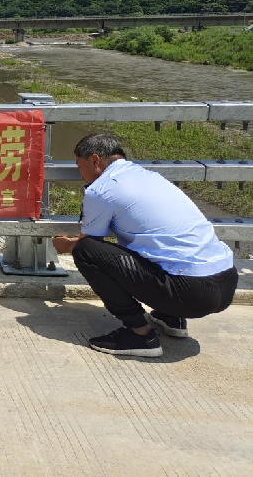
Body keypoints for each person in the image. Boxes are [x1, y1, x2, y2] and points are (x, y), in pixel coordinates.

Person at [53, 133, 238, 357]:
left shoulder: (101, 189)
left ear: (95, 161)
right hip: (226, 283)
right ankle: (171, 317)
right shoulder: (151, 177)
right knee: (153, 244)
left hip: (190, 293)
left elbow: (91, 243)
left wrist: (66, 246)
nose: (80, 174)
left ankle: (140, 334)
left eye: (79, 166)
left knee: (85, 251)